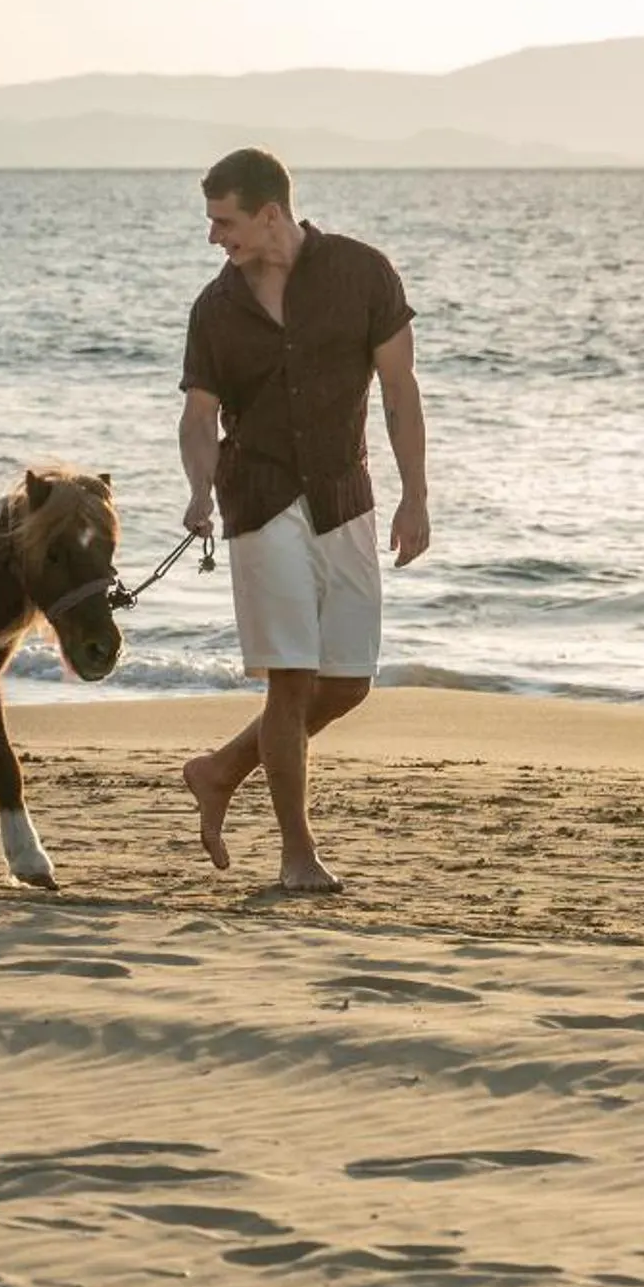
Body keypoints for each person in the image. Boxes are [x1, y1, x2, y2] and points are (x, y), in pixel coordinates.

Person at [177, 149, 429, 891]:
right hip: (258, 503)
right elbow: (198, 417)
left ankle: (221, 769)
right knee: (290, 682)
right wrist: (198, 490)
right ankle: (297, 854)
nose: (214, 237)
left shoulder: (363, 273)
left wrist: (416, 495)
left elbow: (400, 390)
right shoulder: (215, 309)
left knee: (347, 682)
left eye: (224, 221)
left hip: (343, 497)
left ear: (270, 214)